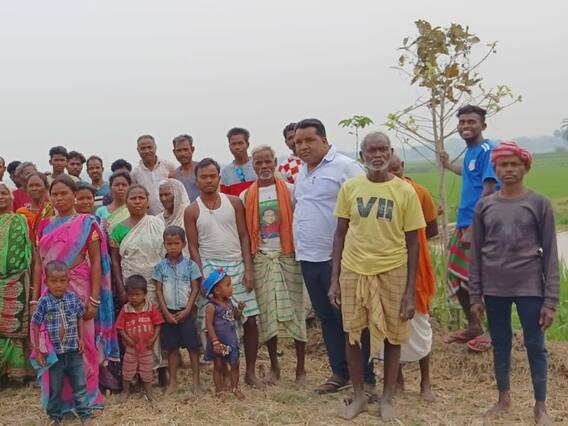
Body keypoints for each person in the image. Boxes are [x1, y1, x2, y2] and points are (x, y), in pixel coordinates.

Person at [329, 132, 423, 421]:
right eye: (372, 150)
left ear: (391, 152)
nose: (378, 155)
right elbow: (340, 234)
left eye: (383, 149)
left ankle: (387, 398)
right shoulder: (350, 188)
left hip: (392, 269)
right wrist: (334, 279)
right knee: (354, 334)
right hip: (354, 269)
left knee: (394, 335)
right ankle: (359, 396)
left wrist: (410, 291)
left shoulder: (404, 191)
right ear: (363, 155)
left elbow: (414, 242)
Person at [469, 141, 559, 425]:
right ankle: (503, 398)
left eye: (514, 164)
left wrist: (551, 301)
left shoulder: (539, 204)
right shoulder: (484, 206)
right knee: (500, 342)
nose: (508, 170)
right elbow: (476, 253)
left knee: (535, 345)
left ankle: (540, 405)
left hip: (529, 286)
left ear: (525, 168)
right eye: (503, 165)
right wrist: (475, 295)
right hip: (494, 287)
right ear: (495, 169)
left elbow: (551, 254)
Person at [293, 118, 374, 394]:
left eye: (309, 140)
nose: (303, 146)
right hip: (309, 258)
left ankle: (366, 379)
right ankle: (339, 372)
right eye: (298, 142)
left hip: (338, 260)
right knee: (326, 317)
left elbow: (361, 212)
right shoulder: (301, 173)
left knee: (350, 318)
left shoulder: (346, 167)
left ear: (324, 140)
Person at [31, 175, 120, 414]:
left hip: (79, 291)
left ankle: (87, 399)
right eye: (55, 194)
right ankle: (58, 402)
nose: (59, 198)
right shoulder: (44, 225)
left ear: (74, 196)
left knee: (83, 344)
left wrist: (94, 299)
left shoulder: (87, 223)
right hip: (49, 294)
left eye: (64, 193)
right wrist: (35, 299)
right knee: (52, 344)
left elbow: (97, 263)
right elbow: (39, 263)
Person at [185, 158, 263, 388]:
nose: (209, 180)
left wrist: (248, 269)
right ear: (197, 180)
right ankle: (225, 372)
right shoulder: (192, 210)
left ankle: (249, 372)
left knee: (250, 320)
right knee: (217, 323)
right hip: (210, 270)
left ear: (219, 177)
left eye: (213, 176)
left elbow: (244, 236)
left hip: (237, 266)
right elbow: (193, 246)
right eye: (204, 177)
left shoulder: (234, 202)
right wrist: (201, 276)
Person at [241, 145, 307, 385]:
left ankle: (301, 369)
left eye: (267, 161)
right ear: (253, 165)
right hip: (261, 259)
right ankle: (274, 367)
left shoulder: (290, 190)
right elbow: (246, 233)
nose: (264, 167)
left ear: (275, 162)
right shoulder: (247, 196)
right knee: (267, 314)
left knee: (297, 311)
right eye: (258, 163)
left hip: (288, 257)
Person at [440, 105, 498, 352]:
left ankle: (494, 331)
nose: (466, 126)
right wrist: (447, 165)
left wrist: (475, 227)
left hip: (481, 225)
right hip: (464, 223)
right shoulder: (471, 152)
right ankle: (474, 325)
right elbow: (468, 175)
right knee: (457, 275)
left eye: (471, 122)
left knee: (485, 279)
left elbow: (488, 189)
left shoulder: (488, 150)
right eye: (462, 122)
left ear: (483, 125)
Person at [388, 154, 438, 401]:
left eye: (396, 170)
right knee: (390, 324)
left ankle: (425, 382)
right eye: (389, 172)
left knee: (420, 323)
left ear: (403, 168)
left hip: (415, 269)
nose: (393, 176)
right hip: (387, 267)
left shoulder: (420, 193)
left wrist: (412, 245)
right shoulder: (377, 192)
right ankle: (397, 379)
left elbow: (431, 228)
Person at [109, 184, 167, 381]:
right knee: (135, 327)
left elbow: (165, 253)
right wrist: (121, 287)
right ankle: (137, 372)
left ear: (148, 201)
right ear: (126, 202)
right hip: (132, 283)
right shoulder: (118, 229)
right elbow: (115, 260)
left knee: (156, 323)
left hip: (156, 282)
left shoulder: (157, 224)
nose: (137, 201)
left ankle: (160, 368)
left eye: (141, 197)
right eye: (133, 198)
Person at [31, 260, 93, 425]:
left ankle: (85, 415)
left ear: (68, 280)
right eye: (53, 281)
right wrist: (37, 349)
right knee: (55, 387)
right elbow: (35, 324)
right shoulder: (44, 302)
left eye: (62, 281)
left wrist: (81, 338)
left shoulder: (72, 299)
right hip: (55, 355)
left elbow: (80, 317)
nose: (58, 285)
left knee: (80, 385)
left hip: (73, 351)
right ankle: (55, 417)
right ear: (46, 282)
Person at [154, 226, 202, 394]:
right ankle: (172, 382)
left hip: (186, 312)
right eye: (169, 244)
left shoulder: (191, 266)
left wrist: (188, 310)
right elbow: (158, 290)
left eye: (176, 243)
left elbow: (195, 289)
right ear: (164, 245)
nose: (173, 247)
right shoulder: (160, 267)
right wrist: (166, 313)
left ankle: (196, 383)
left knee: (193, 348)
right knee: (172, 349)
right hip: (169, 313)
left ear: (184, 244)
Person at [0, 182, 34, 381]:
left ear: (11, 197)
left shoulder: (20, 219)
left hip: (17, 279)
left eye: (4, 193)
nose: (1, 197)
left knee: (14, 325)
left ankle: (16, 372)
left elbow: (29, 249)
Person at [115, 275, 164, 402]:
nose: (134, 298)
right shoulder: (125, 310)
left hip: (147, 347)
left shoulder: (151, 308)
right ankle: (125, 392)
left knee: (147, 371)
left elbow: (158, 324)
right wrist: (127, 339)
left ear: (145, 294)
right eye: (131, 295)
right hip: (131, 348)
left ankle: (149, 393)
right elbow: (120, 327)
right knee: (127, 370)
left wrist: (153, 339)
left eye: (137, 294)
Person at [202, 269, 245, 400]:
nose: (231, 288)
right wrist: (215, 342)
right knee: (218, 366)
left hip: (231, 340)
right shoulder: (211, 306)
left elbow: (235, 317)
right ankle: (219, 390)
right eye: (228, 285)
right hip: (219, 342)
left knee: (235, 363)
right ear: (217, 291)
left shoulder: (229, 303)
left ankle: (235, 387)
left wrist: (240, 309)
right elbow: (209, 325)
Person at [131, 135, 176, 215]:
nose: (147, 151)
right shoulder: (135, 174)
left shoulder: (169, 166)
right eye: (143, 148)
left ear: (155, 147)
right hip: (151, 218)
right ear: (138, 150)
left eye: (149, 147)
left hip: (173, 215)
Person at [16, 172, 53, 243]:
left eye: (38, 185)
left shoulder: (53, 210)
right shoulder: (21, 213)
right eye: (31, 186)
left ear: (46, 188)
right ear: (26, 189)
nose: (34, 188)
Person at [157, 178, 191, 257]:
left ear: (177, 194)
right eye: (161, 195)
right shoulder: (157, 220)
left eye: (167, 194)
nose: (163, 199)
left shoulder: (189, 216)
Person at [220, 127, 257, 196]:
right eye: (233, 144)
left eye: (240, 143)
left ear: (247, 144)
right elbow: (226, 198)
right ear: (229, 146)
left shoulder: (258, 165)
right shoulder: (226, 172)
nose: (237, 147)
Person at [96, 171, 131, 235]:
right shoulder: (101, 211)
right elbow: (97, 234)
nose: (120, 188)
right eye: (116, 185)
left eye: (124, 185)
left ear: (129, 187)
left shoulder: (134, 209)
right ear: (110, 188)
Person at [169, 134, 200, 202]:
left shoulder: (202, 169)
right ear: (174, 152)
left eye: (185, 149)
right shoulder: (173, 176)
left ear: (192, 149)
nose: (182, 153)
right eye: (179, 150)